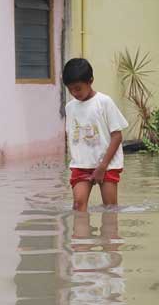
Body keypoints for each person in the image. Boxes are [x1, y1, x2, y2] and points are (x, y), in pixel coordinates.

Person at [63, 58, 128, 211]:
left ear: (90, 81)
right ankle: (80, 235)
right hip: (81, 164)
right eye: (70, 89)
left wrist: (102, 166)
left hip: (107, 165)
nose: (74, 93)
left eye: (78, 88)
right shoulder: (70, 107)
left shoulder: (104, 102)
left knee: (110, 208)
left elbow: (117, 136)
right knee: (78, 205)